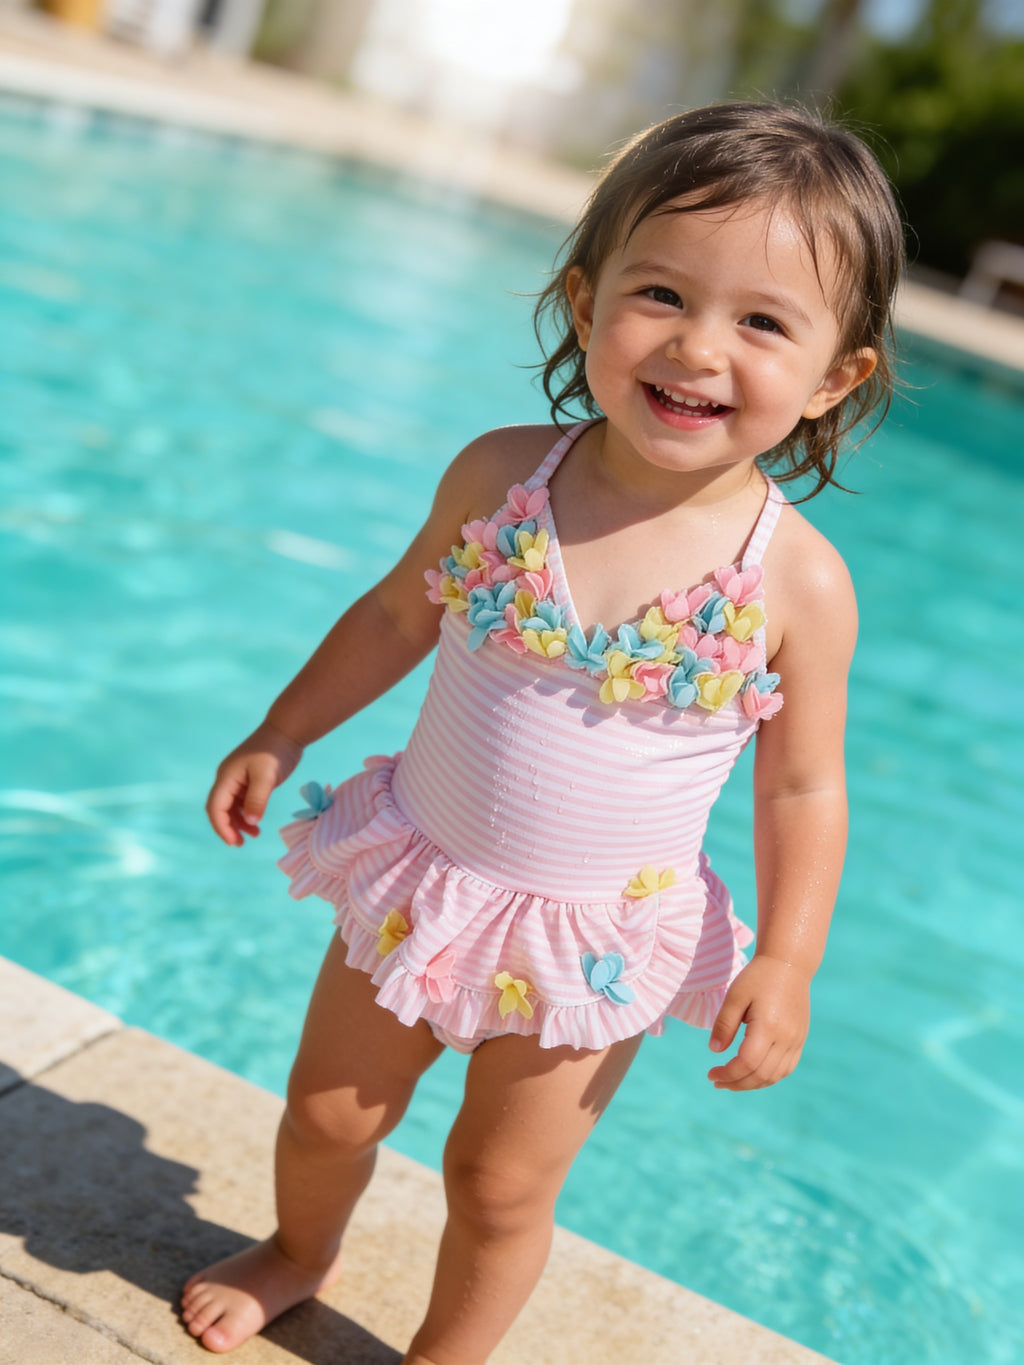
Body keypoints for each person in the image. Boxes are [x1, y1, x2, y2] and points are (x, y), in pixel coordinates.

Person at [181, 101, 904, 1362]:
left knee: (500, 1184)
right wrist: (282, 729)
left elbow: (802, 790)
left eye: (761, 323)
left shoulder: (797, 583)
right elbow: (394, 615)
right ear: (584, 302)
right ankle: (298, 1252)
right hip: (423, 878)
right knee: (328, 1113)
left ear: (835, 376)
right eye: (660, 293)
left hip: (597, 940)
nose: (696, 347)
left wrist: (790, 959)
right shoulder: (503, 477)